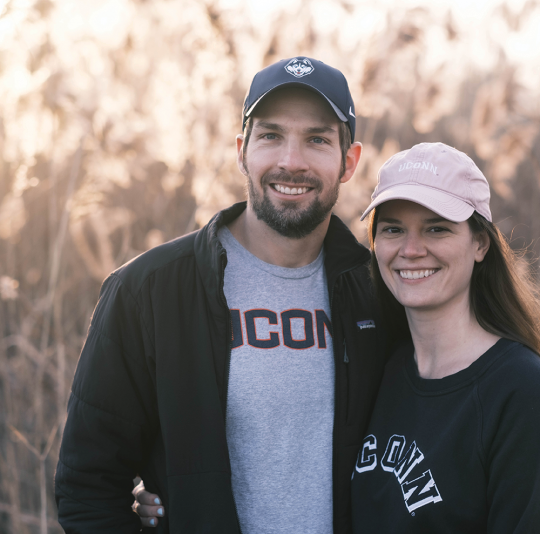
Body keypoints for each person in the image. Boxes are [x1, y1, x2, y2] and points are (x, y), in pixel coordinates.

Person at [55, 57, 390, 533]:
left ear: (349, 162)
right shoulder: (149, 290)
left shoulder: (378, 294)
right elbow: (86, 489)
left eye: (317, 139)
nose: (290, 161)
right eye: (271, 135)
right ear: (241, 152)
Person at [350, 142, 540, 532]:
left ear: (480, 244)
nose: (411, 249)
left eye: (436, 228)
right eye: (393, 229)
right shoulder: (380, 367)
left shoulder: (521, 389)